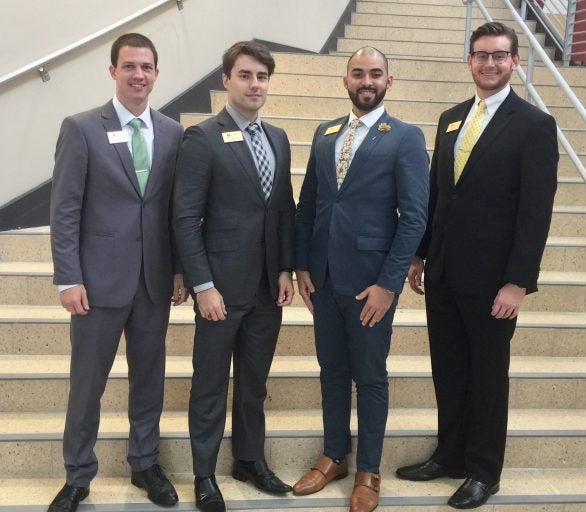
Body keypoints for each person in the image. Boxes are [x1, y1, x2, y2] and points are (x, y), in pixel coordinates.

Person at [395, 22, 558, 509]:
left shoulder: (533, 125)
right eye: (481, 55)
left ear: (515, 62)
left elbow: (536, 211)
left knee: (488, 375)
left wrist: (517, 282)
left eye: (499, 56)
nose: (490, 63)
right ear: (469, 61)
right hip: (444, 272)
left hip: (493, 281)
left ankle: (485, 470)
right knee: (449, 369)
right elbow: (437, 194)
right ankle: (449, 455)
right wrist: (421, 254)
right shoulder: (451, 118)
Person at [48, 33, 186, 512]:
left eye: (146, 66)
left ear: (156, 72)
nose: (138, 75)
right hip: (97, 283)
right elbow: (65, 208)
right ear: (112, 71)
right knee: (87, 384)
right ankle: (78, 474)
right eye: (128, 66)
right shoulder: (82, 128)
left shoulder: (172, 132)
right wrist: (68, 277)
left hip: (153, 281)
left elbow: (174, 211)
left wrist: (179, 270)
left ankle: (144, 462)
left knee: (149, 380)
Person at [292, 47, 429, 512]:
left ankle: (368, 469)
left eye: (374, 74)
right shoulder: (325, 133)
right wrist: (302, 265)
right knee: (331, 370)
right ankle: (335, 455)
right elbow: (309, 203)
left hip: (371, 284)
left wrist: (389, 284)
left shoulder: (405, 137)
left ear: (389, 80)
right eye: (357, 73)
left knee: (369, 376)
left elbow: (413, 218)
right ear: (345, 80)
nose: (365, 80)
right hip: (324, 280)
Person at [172, 41, 295, 512]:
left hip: (267, 287)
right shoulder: (203, 137)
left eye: (262, 77)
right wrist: (203, 284)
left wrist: (284, 267)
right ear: (226, 80)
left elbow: (283, 208)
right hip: (219, 288)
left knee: (253, 383)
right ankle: (204, 474)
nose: (255, 84)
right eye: (245, 75)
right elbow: (185, 218)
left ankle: (249, 461)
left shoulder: (279, 137)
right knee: (208, 383)